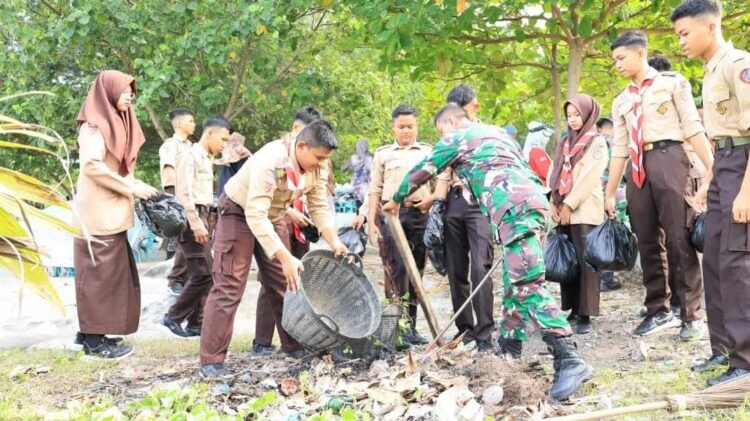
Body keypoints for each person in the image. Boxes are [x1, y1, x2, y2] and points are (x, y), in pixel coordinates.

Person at [382, 104, 592, 402]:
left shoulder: (457, 136)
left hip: (512, 209)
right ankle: (508, 354)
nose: (443, 137)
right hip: (532, 206)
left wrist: (395, 199)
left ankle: (569, 358)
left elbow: (425, 168)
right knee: (515, 283)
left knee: (528, 285)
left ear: (451, 122)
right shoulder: (496, 134)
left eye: (442, 131)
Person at [199, 120, 349, 378]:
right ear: (301, 146)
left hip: (274, 214)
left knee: (284, 282)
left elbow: (318, 206)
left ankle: (293, 346)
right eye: (319, 157)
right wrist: (284, 256)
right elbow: (255, 216)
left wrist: (334, 240)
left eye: (326, 159)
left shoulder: (318, 166)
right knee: (230, 285)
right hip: (239, 212)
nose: (322, 163)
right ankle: (211, 361)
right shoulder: (270, 160)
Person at [606, 30, 714, 339]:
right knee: (647, 239)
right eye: (614, 60)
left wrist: (711, 168)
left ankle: (691, 314)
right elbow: (620, 148)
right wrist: (610, 191)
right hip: (637, 169)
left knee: (680, 237)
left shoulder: (672, 84)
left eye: (621, 58)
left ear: (640, 54)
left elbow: (693, 127)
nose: (617, 64)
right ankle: (657, 308)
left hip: (670, 158)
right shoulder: (622, 100)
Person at [671, 0, 750, 385]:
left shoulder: (738, 64)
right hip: (725, 167)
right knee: (715, 261)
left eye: (685, 33)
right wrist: (710, 185)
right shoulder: (709, 69)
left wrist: (746, 192)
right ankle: (722, 352)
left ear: (710, 27)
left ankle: (745, 361)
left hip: (745, 168)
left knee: (736, 264)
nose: (681, 42)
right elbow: (721, 139)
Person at [72, 70, 159, 358]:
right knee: (98, 277)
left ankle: (90, 335)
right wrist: (130, 188)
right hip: (97, 213)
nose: (129, 96)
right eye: (124, 91)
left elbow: (118, 168)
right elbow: (92, 167)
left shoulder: (114, 122)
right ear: (107, 92)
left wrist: (136, 185)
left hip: (110, 209)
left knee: (108, 276)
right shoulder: (94, 127)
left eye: (131, 92)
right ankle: (94, 343)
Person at [252, 106, 322, 357]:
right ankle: (261, 341)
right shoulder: (276, 156)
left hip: (301, 226)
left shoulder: (318, 158)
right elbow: (270, 200)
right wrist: (290, 212)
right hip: (277, 220)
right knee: (272, 280)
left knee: (293, 282)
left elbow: (317, 195)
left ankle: (293, 342)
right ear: (295, 130)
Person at [434, 84, 495, 352]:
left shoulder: (488, 133)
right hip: (454, 203)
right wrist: (436, 205)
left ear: (473, 108)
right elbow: (442, 172)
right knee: (455, 269)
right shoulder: (449, 134)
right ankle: (465, 331)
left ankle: (484, 334)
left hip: (480, 203)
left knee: (480, 267)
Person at [160, 116, 232, 338]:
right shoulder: (190, 155)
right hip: (193, 217)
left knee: (200, 272)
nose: (224, 144)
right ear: (209, 133)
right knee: (205, 273)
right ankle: (173, 316)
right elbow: (183, 193)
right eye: (223, 138)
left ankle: (196, 323)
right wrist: (195, 223)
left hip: (204, 216)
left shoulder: (206, 157)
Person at [368, 104, 434, 347]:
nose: (406, 131)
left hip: (418, 215)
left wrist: (430, 199)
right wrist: (370, 223)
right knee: (396, 272)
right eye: (401, 127)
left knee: (417, 270)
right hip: (391, 216)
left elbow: (439, 184)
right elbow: (374, 190)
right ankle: (395, 329)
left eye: (410, 126)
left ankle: (411, 329)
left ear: (417, 126)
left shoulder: (428, 152)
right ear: (393, 127)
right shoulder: (383, 154)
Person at [548, 94, 609, 335]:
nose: (573, 120)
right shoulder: (564, 142)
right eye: (569, 116)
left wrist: (569, 204)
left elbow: (589, 178)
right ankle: (572, 308)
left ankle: (586, 313)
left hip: (583, 209)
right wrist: (553, 200)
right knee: (569, 261)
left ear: (588, 115)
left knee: (586, 262)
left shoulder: (596, 142)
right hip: (563, 209)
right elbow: (553, 171)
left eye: (577, 115)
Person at [159, 108, 196, 296]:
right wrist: (174, 200)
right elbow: (168, 171)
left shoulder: (192, 147)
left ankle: (188, 278)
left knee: (190, 239)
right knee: (183, 238)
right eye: (190, 121)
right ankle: (175, 279)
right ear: (179, 123)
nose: (194, 124)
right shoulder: (171, 145)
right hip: (178, 196)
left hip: (193, 196)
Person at [595, 116, 625, 293]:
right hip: (612, 194)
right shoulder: (615, 144)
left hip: (595, 194)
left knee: (599, 234)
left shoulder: (592, 143)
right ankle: (607, 278)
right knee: (611, 235)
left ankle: (599, 276)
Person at [341, 139, 374, 209]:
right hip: (369, 188)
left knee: (359, 209)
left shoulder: (353, 158)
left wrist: (351, 166)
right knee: (369, 209)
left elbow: (342, 168)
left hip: (357, 189)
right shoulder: (372, 157)